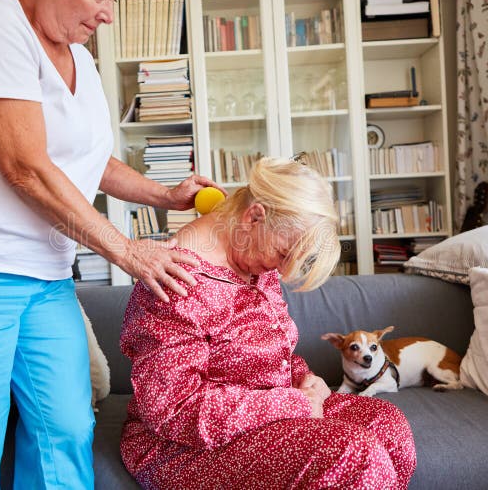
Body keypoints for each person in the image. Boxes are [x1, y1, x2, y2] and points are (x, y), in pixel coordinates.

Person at [0, 0, 222, 488]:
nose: (108, 16)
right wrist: (128, 252)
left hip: (43, 275)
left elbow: (88, 158)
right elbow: (25, 166)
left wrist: (164, 195)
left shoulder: (80, 60)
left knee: (64, 426)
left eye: (115, 0)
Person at [120, 157, 417, 489]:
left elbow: (273, 353)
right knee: (352, 453)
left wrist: (305, 378)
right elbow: (173, 408)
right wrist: (294, 403)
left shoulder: (255, 259)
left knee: (387, 424)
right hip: (184, 447)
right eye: (283, 253)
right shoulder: (177, 280)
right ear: (255, 216)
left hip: (272, 412)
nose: (285, 272)